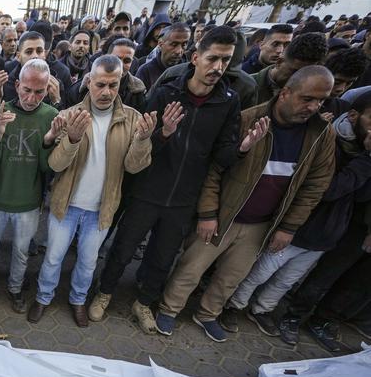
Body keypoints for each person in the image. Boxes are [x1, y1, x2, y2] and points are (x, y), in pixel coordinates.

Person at [157, 66, 336, 342]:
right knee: (192, 267)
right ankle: (170, 308)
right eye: (307, 99)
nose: (313, 107)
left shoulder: (322, 135)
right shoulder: (247, 119)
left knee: (232, 276)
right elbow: (214, 168)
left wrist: (288, 226)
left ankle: (207, 314)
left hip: (262, 223)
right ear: (286, 93)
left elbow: (315, 186)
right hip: (223, 215)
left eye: (321, 101)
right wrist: (207, 213)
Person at [90, 26, 244, 333]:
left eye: (225, 61)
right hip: (148, 190)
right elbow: (141, 144)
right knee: (123, 247)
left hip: (184, 197)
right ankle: (104, 293)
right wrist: (163, 134)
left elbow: (222, 156)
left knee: (162, 257)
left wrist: (242, 148)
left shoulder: (228, 101)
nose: (218, 67)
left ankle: (144, 302)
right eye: (213, 58)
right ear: (196, 57)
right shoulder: (166, 92)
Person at [222, 92, 371, 342]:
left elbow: (362, 195)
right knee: (262, 271)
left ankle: (262, 308)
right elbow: (329, 189)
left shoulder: (362, 154)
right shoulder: (328, 141)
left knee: (286, 280)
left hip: (327, 233)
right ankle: (234, 305)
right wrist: (366, 160)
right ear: (354, 116)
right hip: (300, 226)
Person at [28, 55, 156, 326]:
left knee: (87, 263)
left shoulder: (132, 120)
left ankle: (78, 301)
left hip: (101, 209)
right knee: (53, 257)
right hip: (66, 205)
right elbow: (55, 163)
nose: (106, 92)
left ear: (120, 83)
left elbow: (134, 168)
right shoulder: (69, 115)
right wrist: (72, 139)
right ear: (89, 82)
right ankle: (43, 297)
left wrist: (143, 140)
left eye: (113, 84)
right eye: (100, 84)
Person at [0, 60, 63, 314]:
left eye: (39, 92)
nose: (31, 98)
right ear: (16, 85)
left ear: (48, 90)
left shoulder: (51, 116)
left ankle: (15, 290)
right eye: (26, 90)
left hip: (27, 202)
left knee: (22, 253)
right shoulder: (1, 110)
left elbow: (48, 168)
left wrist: (48, 141)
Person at [65, 37, 146, 112]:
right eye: (116, 59)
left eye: (127, 61)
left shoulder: (137, 91)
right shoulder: (78, 90)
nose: (120, 65)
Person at [253, 32, 326, 105]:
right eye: (295, 72)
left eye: (306, 75)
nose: (299, 79)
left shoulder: (307, 96)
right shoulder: (247, 85)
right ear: (279, 62)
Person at [135, 23, 189, 90]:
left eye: (184, 45)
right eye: (174, 44)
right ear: (160, 44)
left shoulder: (189, 71)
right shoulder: (145, 71)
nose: (179, 51)